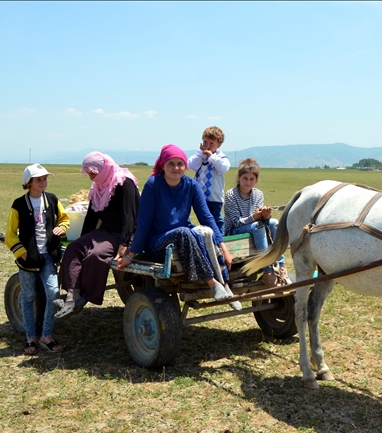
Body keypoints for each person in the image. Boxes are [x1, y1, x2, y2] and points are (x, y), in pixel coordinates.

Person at [117, 144, 241, 311]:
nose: (176, 168)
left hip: (184, 236)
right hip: (157, 241)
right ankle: (212, 283)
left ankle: (225, 285)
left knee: (206, 232)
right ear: (163, 165)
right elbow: (144, 223)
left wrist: (223, 247)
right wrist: (131, 256)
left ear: (185, 166)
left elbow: (207, 217)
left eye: (180, 163)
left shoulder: (191, 185)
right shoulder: (153, 185)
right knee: (184, 232)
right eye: (171, 163)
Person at [55, 152, 140, 318]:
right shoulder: (98, 187)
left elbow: (129, 217)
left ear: (104, 168)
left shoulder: (124, 183)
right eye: (88, 173)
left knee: (97, 254)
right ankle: (73, 296)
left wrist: (124, 245)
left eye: (93, 172)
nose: (91, 177)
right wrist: (82, 240)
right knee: (74, 248)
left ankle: (85, 297)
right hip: (105, 232)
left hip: (125, 232)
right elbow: (91, 217)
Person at [5, 163, 70, 354]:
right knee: (28, 296)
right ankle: (30, 338)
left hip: (48, 256)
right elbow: (10, 233)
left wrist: (62, 228)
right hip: (27, 259)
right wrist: (21, 252)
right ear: (29, 183)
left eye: (45, 179)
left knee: (52, 293)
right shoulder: (18, 204)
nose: (43, 182)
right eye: (39, 179)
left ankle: (46, 335)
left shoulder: (52, 199)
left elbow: (64, 218)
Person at [224, 158, 292, 287]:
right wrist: (255, 217)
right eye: (245, 178)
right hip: (234, 230)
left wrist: (266, 216)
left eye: (251, 179)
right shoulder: (231, 195)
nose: (248, 182)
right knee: (258, 226)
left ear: (256, 180)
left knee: (274, 222)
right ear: (239, 178)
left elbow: (262, 219)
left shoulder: (258, 194)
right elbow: (235, 222)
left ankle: (281, 267)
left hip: (254, 225)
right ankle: (268, 271)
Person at [187, 126, 231, 234]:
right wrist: (201, 154)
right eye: (205, 142)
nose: (208, 145)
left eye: (212, 143)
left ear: (219, 145)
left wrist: (212, 157)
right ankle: (208, 240)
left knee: (216, 220)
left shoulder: (220, 157)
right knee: (204, 222)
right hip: (199, 197)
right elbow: (191, 165)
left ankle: (221, 240)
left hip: (214, 198)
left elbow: (223, 168)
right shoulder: (199, 156)